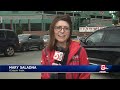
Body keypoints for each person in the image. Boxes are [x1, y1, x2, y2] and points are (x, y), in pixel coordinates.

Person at [41, 14, 90, 79]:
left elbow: (85, 76)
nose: (62, 31)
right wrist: (50, 74)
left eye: (66, 28)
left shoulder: (80, 51)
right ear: (53, 30)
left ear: (70, 31)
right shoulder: (45, 52)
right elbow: (43, 76)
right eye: (58, 27)